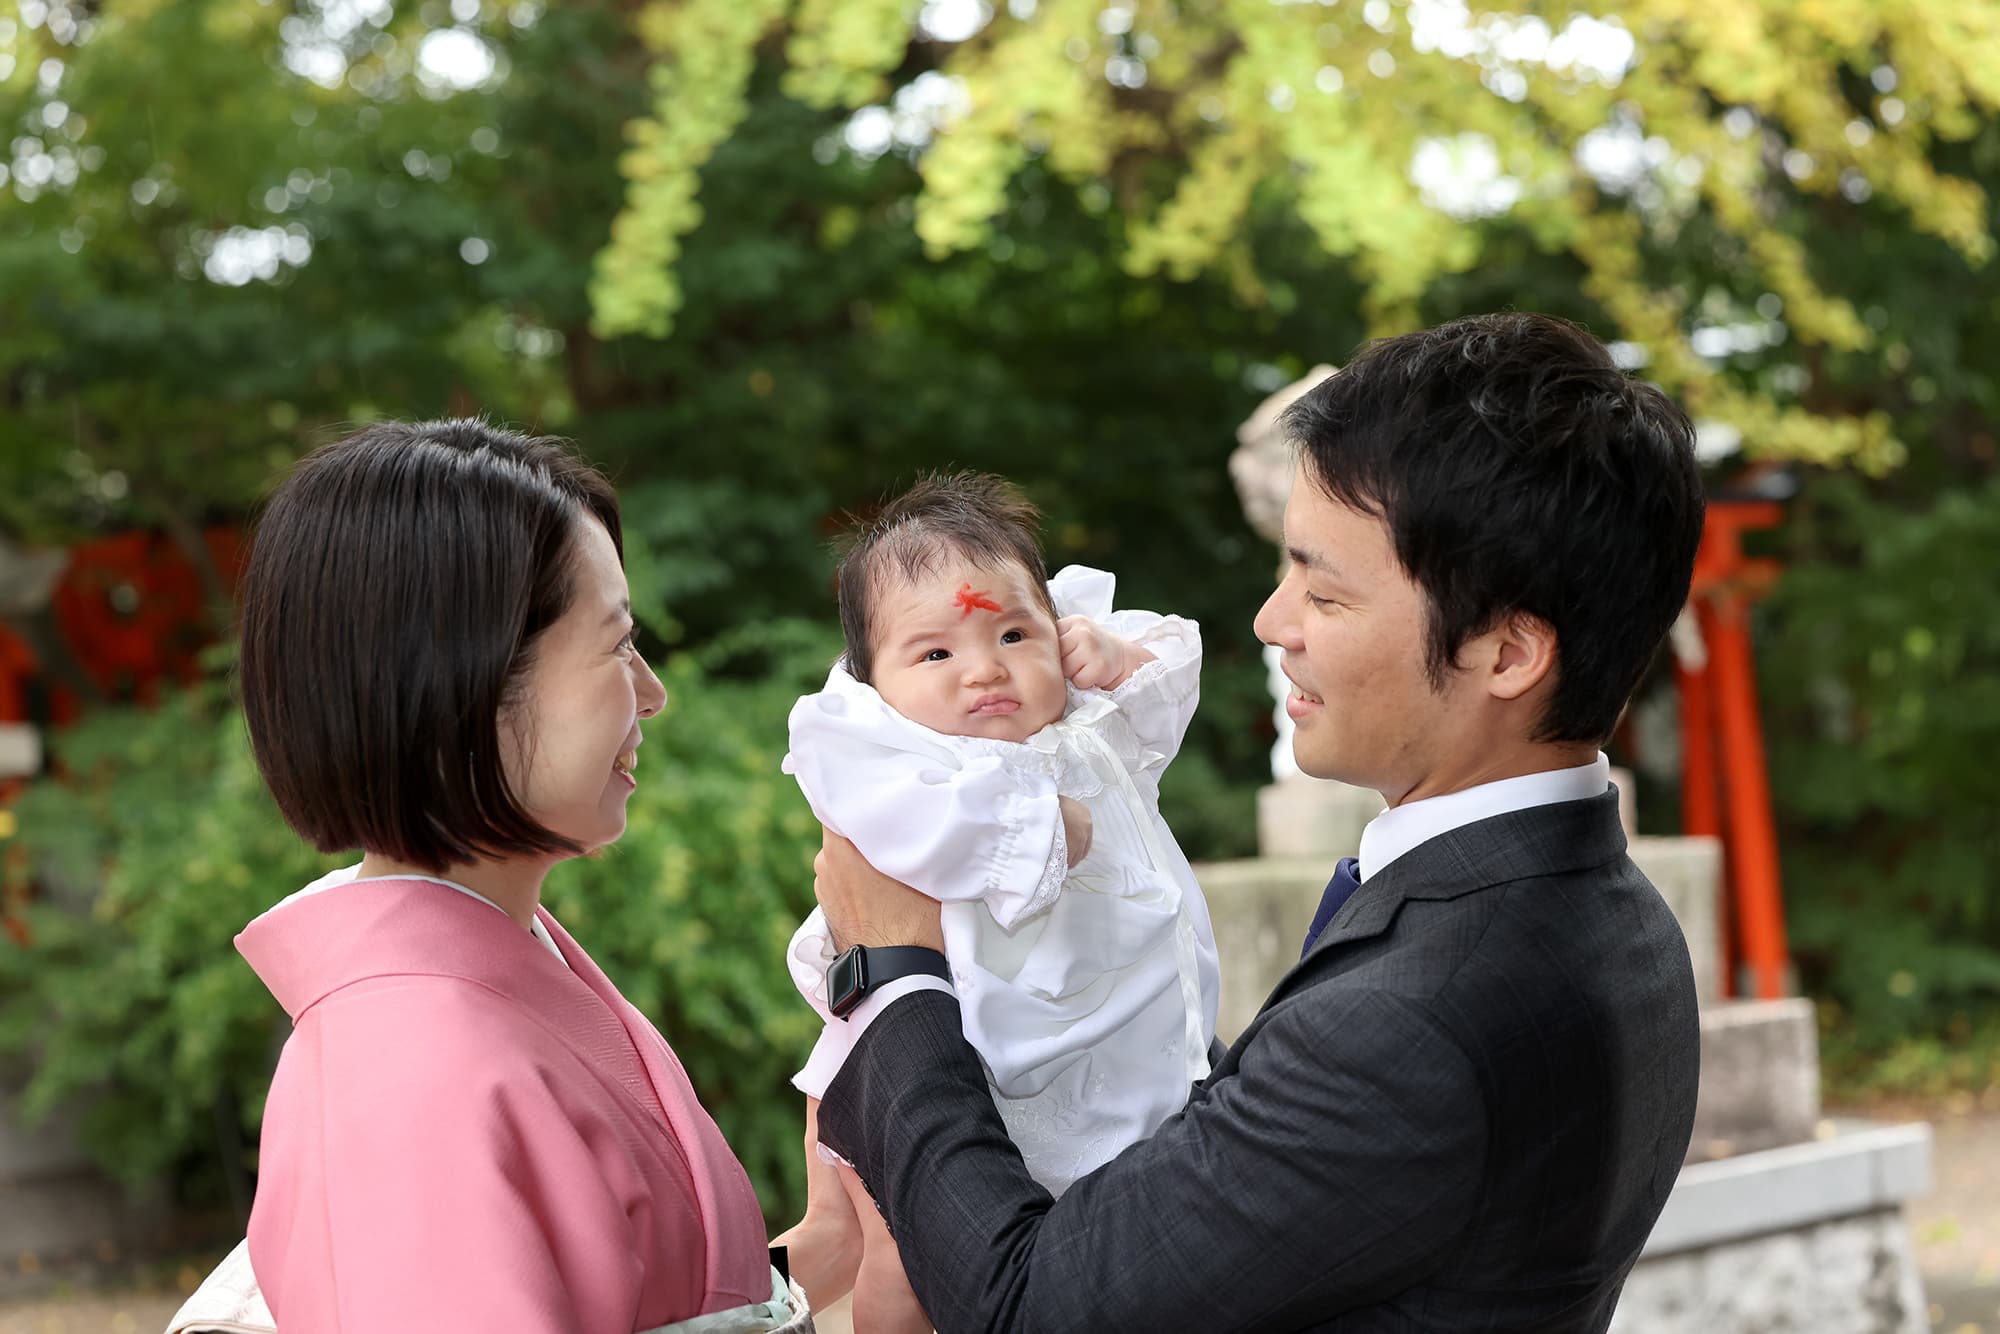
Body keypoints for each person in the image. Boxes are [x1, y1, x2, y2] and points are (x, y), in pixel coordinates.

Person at [806, 313, 1707, 1332]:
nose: (1269, 621)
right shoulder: (1610, 917)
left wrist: (889, 973)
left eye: (1322, 592)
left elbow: (1028, 1306)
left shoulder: (1410, 1021)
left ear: (1505, 653)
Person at [178, 421, 808, 1333]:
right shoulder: (412, 1062)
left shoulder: (485, 970)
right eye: (615, 644)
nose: (653, 692)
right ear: (460, 679)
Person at [770, 472, 1218, 1332]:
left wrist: (1116, 659)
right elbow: (902, 825)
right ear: (872, 683)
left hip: (1076, 1057)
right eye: (934, 653)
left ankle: (732, 1301)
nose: (984, 670)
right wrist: (1038, 830)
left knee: (875, 1244)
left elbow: (1174, 667)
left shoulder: (1086, 720)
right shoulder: (895, 754)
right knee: (901, 1262)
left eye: (1013, 632)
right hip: (947, 1057)